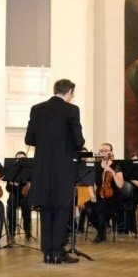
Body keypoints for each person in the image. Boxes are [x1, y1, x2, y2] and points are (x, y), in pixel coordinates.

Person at [25, 78, 85, 264]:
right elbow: (79, 141)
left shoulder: (37, 109)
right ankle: (58, 252)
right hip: (63, 169)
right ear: (68, 92)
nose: (72, 97)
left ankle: (48, 253)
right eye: (72, 94)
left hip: (42, 169)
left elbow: (29, 139)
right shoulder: (72, 110)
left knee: (46, 209)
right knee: (61, 210)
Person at [84, 143, 125, 244]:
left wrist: (112, 172)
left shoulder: (116, 165)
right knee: (88, 208)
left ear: (111, 152)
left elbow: (120, 184)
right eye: (101, 151)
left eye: (106, 150)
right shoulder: (96, 166)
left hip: (113, 197)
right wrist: (92, 194)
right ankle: (101, 230)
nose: (103, 152)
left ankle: (101, 234)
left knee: (100, 208)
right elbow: (91, 183)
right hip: (100, 195)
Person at [6, 151, 33, 241]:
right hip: (14, 194)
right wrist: (13, 185)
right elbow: (7, 188)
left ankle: (27, 230)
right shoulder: (12, 170)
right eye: (18, 159)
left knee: (26, 204)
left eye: (23, 159)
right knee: (11, 203)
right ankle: (11, 232)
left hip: (25, 196)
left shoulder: (30, 170)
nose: (20, 161)